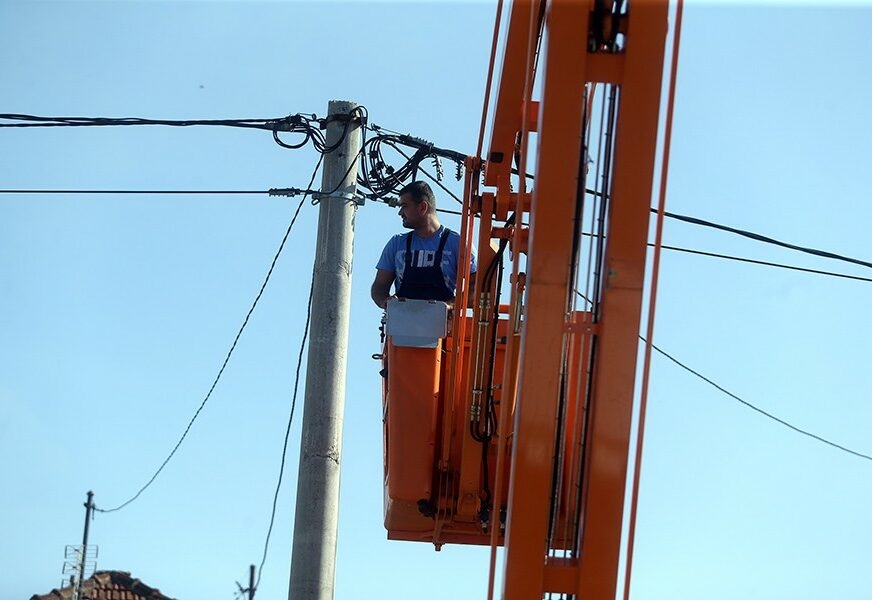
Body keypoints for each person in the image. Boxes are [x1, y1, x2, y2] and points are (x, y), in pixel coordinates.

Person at [371, 181, 476, 308]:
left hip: (442, 326)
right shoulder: (397, 243)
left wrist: (451, 305)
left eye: (404, 206)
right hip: (403, 325)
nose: (400, 212)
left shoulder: (457, 243)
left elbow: (476, 288)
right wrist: (385, 301)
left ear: (422, 207)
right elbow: (379, 287)